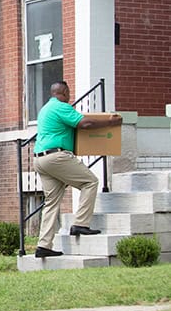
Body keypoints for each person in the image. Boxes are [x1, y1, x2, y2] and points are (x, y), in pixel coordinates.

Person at [33, 81, 122, 258]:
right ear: (64, 92)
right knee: (90, 182)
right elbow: (85, 124)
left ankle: (43, 245)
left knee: (51, 201)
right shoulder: (61, 107)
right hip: (56, 157)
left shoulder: (45, 108)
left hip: (39, 159)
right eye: (69, 93)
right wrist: (110, 123)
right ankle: (80, 223)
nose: (70, 96)